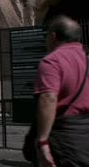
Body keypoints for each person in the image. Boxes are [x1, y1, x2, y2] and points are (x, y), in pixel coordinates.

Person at [34, 15, 89, 166]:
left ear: (53, 36)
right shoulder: (87, 59)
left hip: (65, 136)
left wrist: (43, 141)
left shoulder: (52, 61)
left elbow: (49, 98)